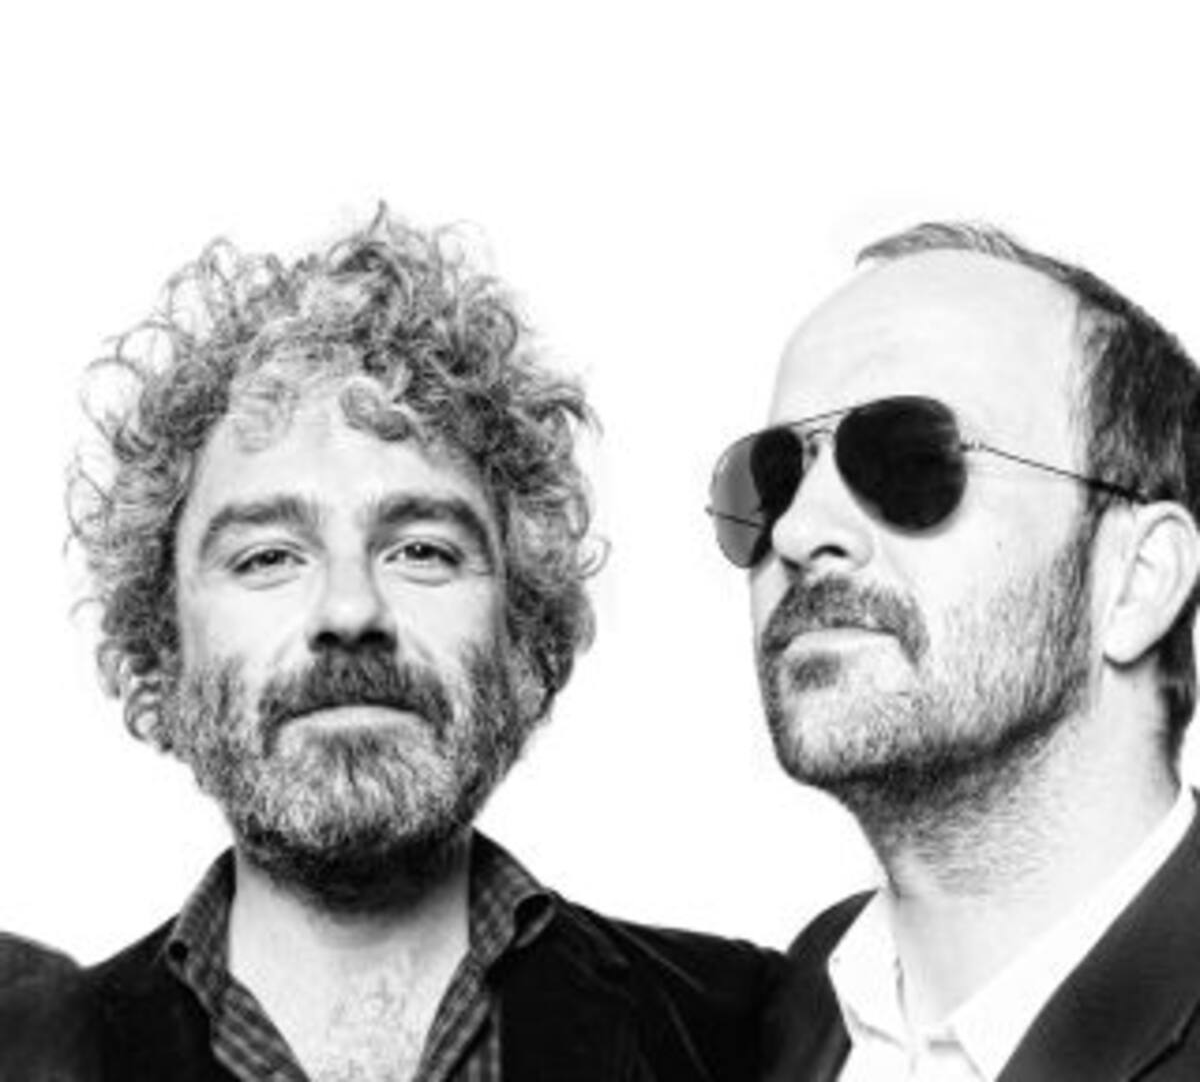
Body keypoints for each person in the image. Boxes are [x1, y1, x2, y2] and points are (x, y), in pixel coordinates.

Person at [0, 209, 775, 1080]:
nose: (350, 609)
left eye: (421, 551)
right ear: (160, 653)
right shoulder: (25, 1057)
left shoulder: (758, 1034)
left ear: (525, 640)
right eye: (267, 557)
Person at [706, 222, 1200, 1080]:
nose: (797, 529)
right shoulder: (771, 1015)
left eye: (911, 458)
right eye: (773, 475)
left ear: (1137, 580)